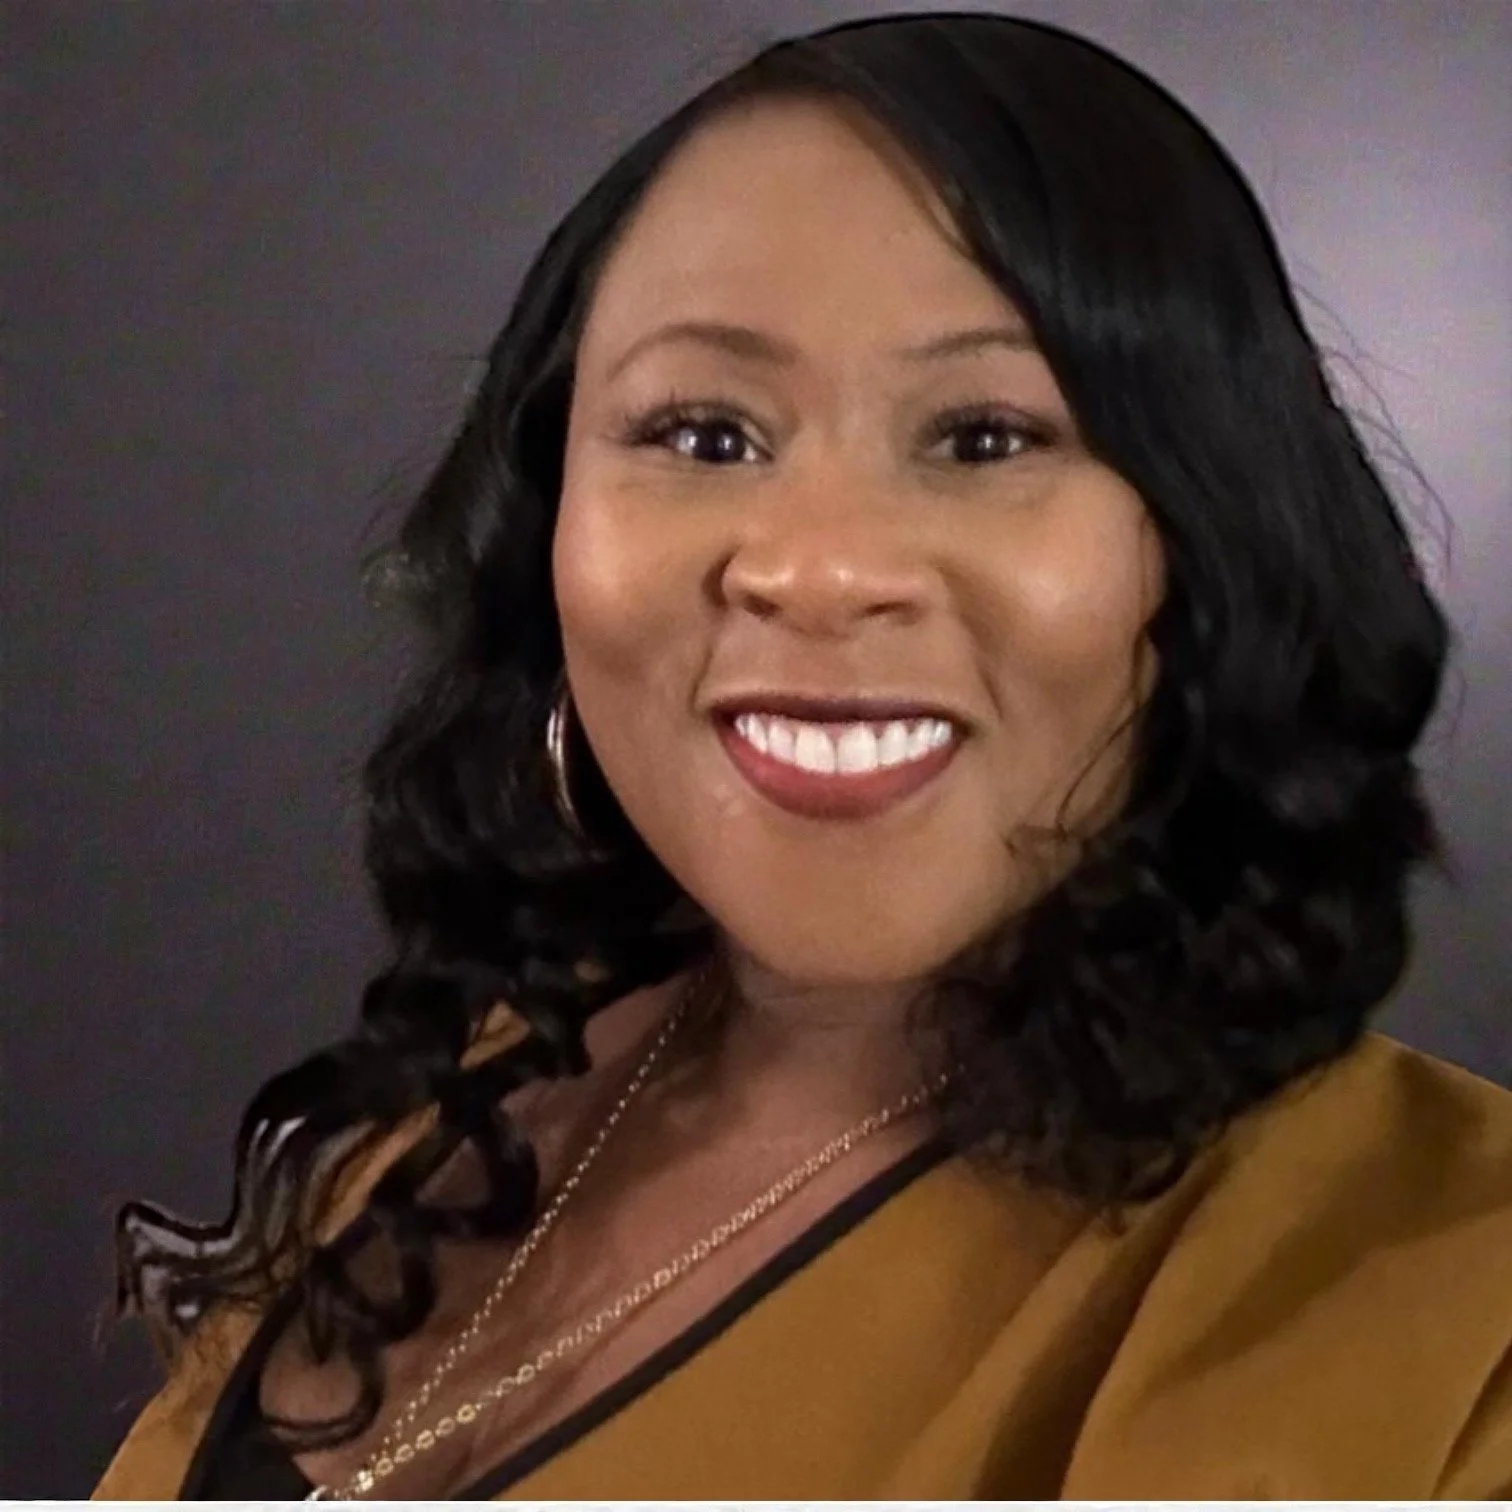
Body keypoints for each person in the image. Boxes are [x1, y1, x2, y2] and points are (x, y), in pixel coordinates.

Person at [94, 8, 1512, 1501]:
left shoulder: (1443, 1311)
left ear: (1209, 543)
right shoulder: (462, 1105)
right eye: (705, 435)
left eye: (983, 438)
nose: (819, 571)